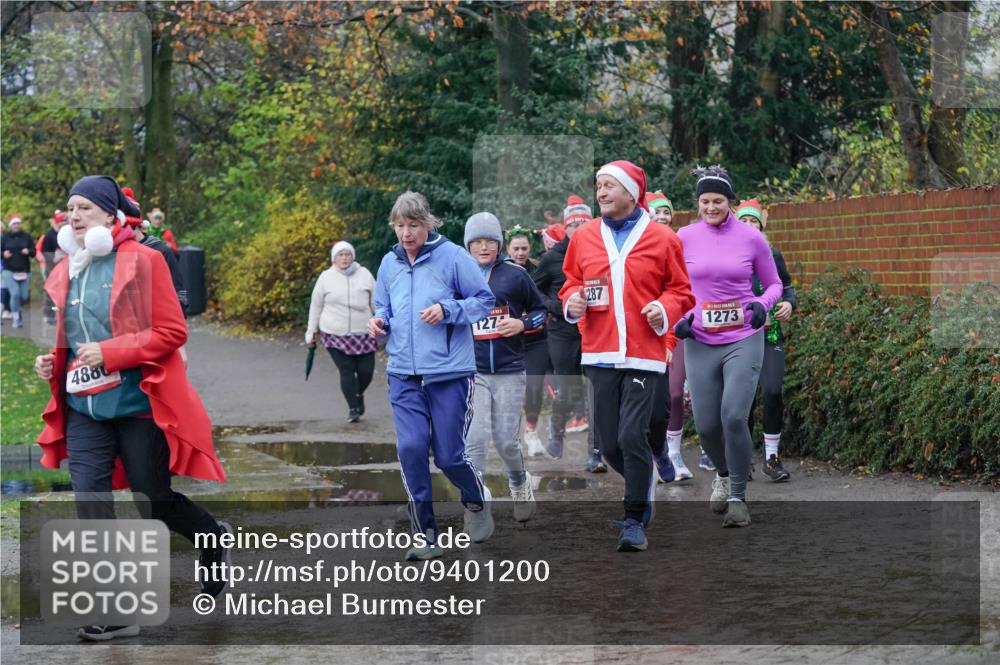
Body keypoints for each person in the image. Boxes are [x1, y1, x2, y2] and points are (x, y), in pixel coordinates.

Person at [32, 175, 229, 641]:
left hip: (138, 403)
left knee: (151, 499)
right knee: (90, 499)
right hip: (84, 406)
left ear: (109, 215)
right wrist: (53, 364)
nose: (74, 216)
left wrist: (114, 352)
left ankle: (211, 537)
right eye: (70, 208)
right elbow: (72, 338)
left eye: (84, 208)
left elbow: (171, 332)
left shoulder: (145, 260)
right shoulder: (67, 267)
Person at [561, 160, 695, 552]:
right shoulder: (584, 237)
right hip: (599, 351)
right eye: (598, 185)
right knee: (610, 444)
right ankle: (644, 479)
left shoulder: (663, 239)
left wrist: (665, 309)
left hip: (643, 354)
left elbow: (682, 291)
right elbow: (571, 282)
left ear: (632, 193)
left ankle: (634, 519)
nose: (600, 192)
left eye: (608, 186)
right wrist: (572, 301)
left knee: (630, 435)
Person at [369, 191, 495, 561]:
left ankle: (475, 499)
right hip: (403, 373)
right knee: (410, 450)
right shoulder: (388, 263)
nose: (406, 233)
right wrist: (379, 322)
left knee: (449, 456)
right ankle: (426, 534)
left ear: (428, 224)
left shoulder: (454, 256)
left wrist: (448, 309)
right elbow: (383, 306)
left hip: (449, 372)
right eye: (400, 226)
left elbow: (483, 300)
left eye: (414, 225)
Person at [673, 166, 782, 528]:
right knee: (705, 426)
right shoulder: (684, 236)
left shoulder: (752, 238)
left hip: (742, 338)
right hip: (700, 339)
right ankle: (722, 473)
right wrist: (682, 317)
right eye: (704, 201)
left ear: (730, 202)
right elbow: (674, 287)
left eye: (718, 201)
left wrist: (760, 307)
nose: (710, 207)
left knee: (733, 415)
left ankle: (738, 496)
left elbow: (774, 286)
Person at [463, 213, 546, 522]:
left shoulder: (515, 274)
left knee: (505, 440)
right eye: (477, 242)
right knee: (476, 436)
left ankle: (519, 483)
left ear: (499, 244)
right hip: (473, 370)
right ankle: (476, 504)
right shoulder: (459, 275)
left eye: (490, 242)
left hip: (510, 369)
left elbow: (541, 312)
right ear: (468, 245)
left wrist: (520, 323)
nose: (484, 248)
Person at [532, 195, 602, 472]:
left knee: (596, 392)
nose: (579, 229)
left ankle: (595, 453)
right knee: (570, 391)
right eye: (574, 225)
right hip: (563, 333)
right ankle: (556, 430)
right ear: (566, 227)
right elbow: (533, 290)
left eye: (584, 224)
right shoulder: (552, 258)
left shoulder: (599, 252)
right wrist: (555, 306)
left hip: (595, 331)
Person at [736, 198, 797, 482]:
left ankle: (772, 458)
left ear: (762, 226)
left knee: (772, 390)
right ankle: (743, 456)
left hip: (770, 334)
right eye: (744, 221)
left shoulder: (772, 253)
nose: (749, 226)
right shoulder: (729, 256)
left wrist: (788, 304)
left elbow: (786, 286)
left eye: (754, 222)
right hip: (737, 336)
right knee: (743, 397)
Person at [641, 192, 693, 482]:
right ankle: (655, 455)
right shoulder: (637, 248)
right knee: (664, 398)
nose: (662, 217)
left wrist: (672, 340)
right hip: (643, 339)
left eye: (666, 213)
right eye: (655, 212)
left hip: (679, 331)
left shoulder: (679, 244)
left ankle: (668, 451)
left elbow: (680, 294)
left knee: (677, 397)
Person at [306, 240, 378, 423]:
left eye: (348, 254)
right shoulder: (325, 278)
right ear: (334, 259)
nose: (344, 258)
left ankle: (358, 393)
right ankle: (353, 408)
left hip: (363, 331)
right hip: (334, 333)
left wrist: (381, 322)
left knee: (366, 371)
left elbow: (376, 303)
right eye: (340, 255)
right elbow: (316, 306)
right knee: (346, 370)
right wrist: (311, 332)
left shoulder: (365, 275)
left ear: (353, 257)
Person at [506, 225, 550, 456]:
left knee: (534, 387)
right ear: (507, 249)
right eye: (516, 249)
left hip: (537, 340)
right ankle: (511, 434)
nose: (520, 253)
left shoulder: (538, 270)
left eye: (524, 248)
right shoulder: (499, 271)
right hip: (510, 340)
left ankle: (531, 432)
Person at [1, 214, 36, 329]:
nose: (16, 226)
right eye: (14, 224)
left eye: (18, 223)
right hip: (9, 270)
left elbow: (34, 252)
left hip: (24, 270)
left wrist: (29, 251)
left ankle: (16, 309)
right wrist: (3, 254)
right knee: (15, 293)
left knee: (24, 296)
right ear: (11, 226)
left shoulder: (27, 237)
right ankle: (16, 318)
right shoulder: (5, 237)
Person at [39, 210, 69, 324]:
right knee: (51, 290)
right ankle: (49, 314)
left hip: (66, 267)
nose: (65, 224)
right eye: (62, 222)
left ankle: (62, 314)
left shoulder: (68, 233)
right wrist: (53, 259)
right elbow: (44, 251)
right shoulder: (50, 235)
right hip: (52, 267)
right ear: (57, 223)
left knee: (64, 290)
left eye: (66, 222)